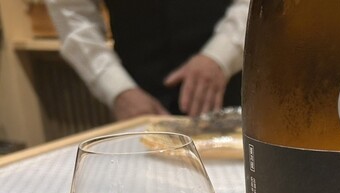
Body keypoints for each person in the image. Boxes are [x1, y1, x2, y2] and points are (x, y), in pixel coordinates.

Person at [46, 0, 248, 120]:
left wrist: (221, 54)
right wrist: (118, 89)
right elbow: (74, 18)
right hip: (138, 93)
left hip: (235, 90)